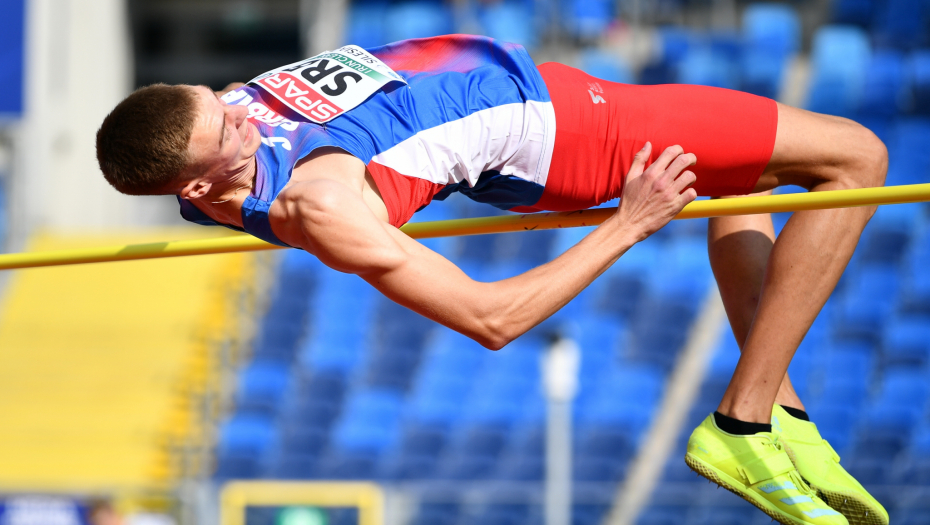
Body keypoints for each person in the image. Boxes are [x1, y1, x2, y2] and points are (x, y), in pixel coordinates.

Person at [95, 35, 887, 525]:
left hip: (528, 106)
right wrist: (628, 223)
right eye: (226, 127)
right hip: (569, 126)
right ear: (197, 185)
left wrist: (221, 125)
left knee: (751, 180)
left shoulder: (212, 163)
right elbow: (491, 318)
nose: (240, 108)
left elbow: (200, 152)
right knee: (856, 156)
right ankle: (744, 424)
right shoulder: (320, 204)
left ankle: (784, 418)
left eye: (219, 100)